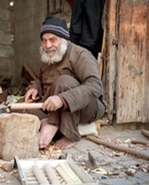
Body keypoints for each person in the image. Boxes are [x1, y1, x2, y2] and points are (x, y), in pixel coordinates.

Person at [24, 15, 105, 150]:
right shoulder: (47, 56)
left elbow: (95, 87)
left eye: (52, 40)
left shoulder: (80, 54)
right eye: (44, 41)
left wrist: (62, 99)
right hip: (53, 106)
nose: (47, 45)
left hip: (87, 107)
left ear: (64, 40)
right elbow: (39, 79)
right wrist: (35, 87)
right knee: (20, 109)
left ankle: (67, 133)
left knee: (63, 82)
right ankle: (51, 122)